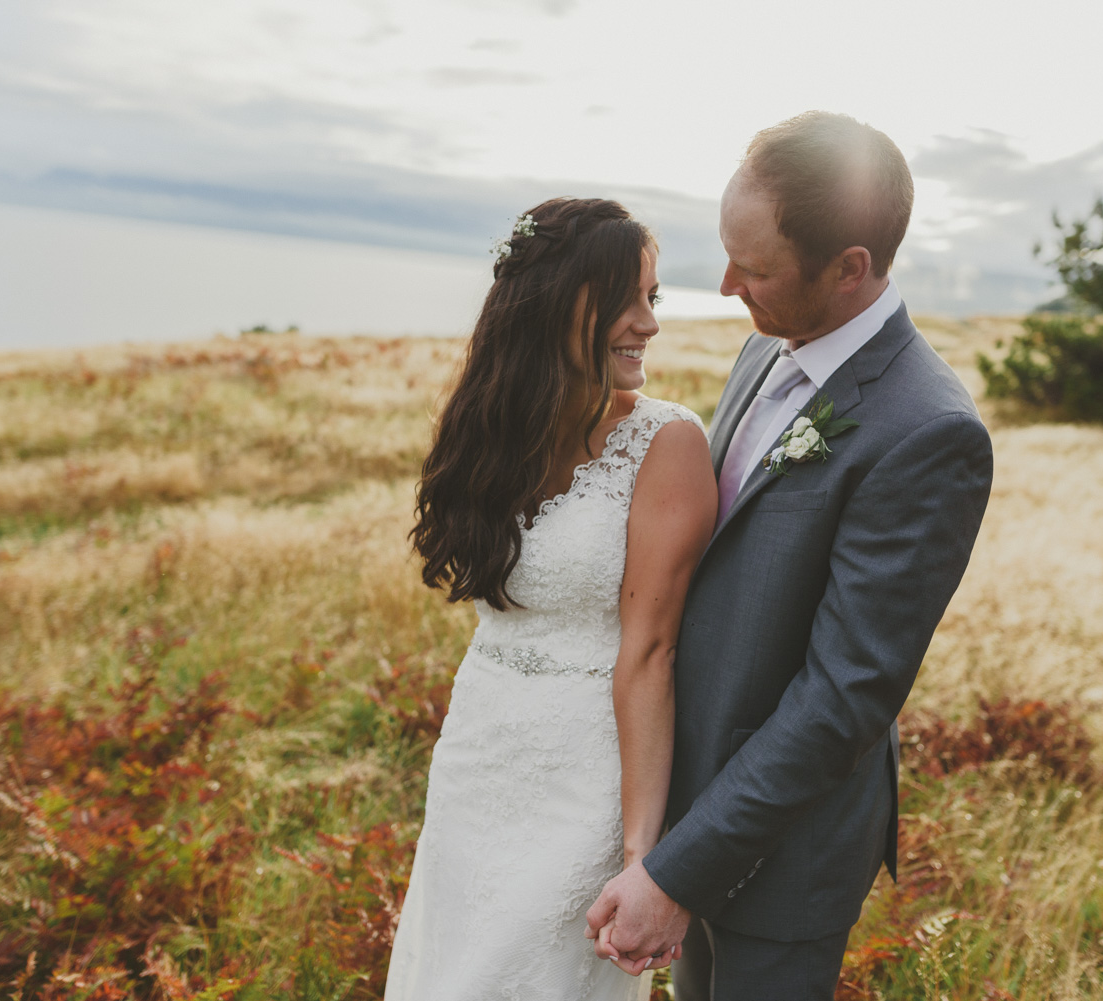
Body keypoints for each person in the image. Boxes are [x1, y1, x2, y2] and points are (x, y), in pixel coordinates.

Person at [585, 112, 995, 999]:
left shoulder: (929, 432)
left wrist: (675, 871)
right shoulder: (766, 347)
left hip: (781, 848)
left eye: (755, 267)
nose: (727, 284)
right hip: (687, 800)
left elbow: (843, 697)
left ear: (850, 267)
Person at [385, 197, 718, 999]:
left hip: (586, 774)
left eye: (654, 297)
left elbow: (650, 651)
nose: (648, 323)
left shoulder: (666, 444)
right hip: (478, 754)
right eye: (626, 299)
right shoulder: (492, 429)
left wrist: (645, 854)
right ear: (559, 303)